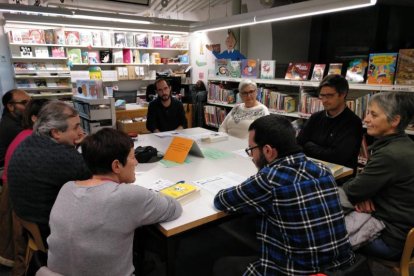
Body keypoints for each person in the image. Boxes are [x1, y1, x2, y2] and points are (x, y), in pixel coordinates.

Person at [213, 114, 355, 276]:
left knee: (222, 265)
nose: (251, 156)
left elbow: (221, 200)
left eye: (251, 150)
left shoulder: (270, 179)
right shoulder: (322, 169)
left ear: (268, 150)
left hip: (296, 272)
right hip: (340, 266)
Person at [46, 128, 182, 276]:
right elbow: (174, 208)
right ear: (116, 165)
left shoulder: (67, 188)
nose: (136, 162)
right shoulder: (127, 196)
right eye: (132, 157)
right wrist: (149, 196)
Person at [342, 92, 414, 261]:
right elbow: (363, 188)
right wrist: (364, 194)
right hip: (405, 231)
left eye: (373, 114)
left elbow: (353, 190)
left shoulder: (389, 155)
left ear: (395, 121)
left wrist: (361, 193)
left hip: (392, 239)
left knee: (320, 231)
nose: (366, 119)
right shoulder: (406, 144)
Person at [8, 101, 91, 244]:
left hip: (30, 225)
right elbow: (96, 178)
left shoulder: (29, 142)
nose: (81, 132)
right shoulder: (63, 157)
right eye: (76, 127)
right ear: (56, 132)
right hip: (54, 234)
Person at [0, 99, 48, 273]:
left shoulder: (26, 136)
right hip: (20, 206)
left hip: (15, 199)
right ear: (36, 119)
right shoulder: (32, 141)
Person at [297, 74, 363, 170]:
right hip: (311, 169)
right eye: (322, 96)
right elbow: (298, 144)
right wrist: (323, 150)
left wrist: (309, 146)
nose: (324, 100)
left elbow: (338, 157)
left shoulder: (353, 123)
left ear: (343, 94)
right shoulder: (315, 117)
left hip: (338, 177)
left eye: (329, 96)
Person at [0, 89, 31, 167]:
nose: (30, 107)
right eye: (24, 103)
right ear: (10, 106)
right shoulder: (11, 126)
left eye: (30, 102)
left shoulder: (15, 119)